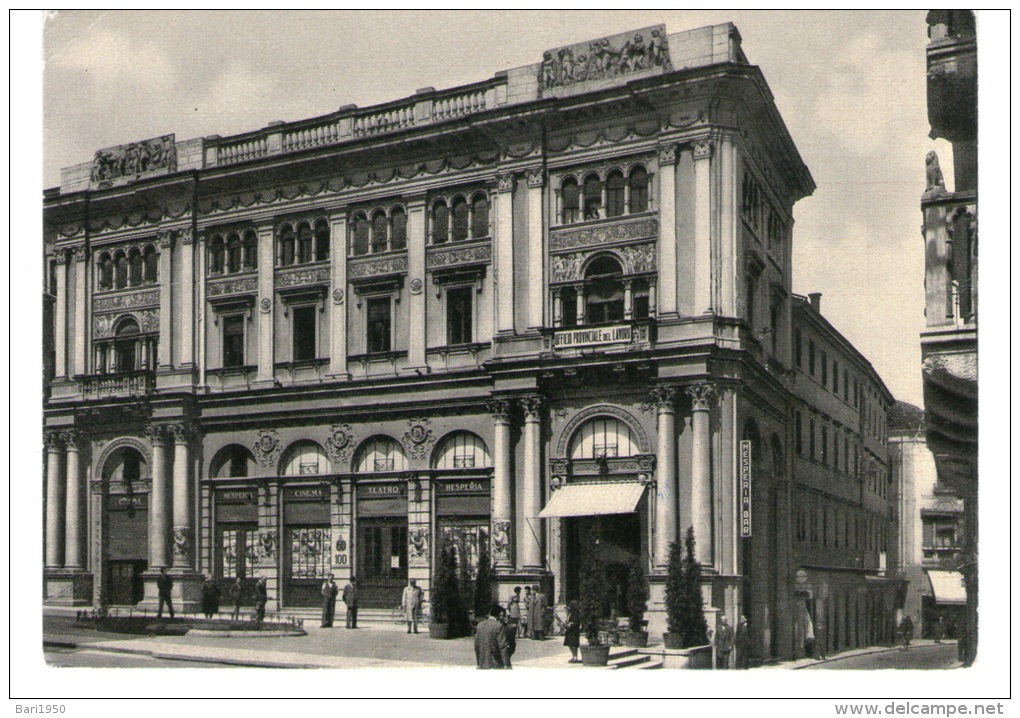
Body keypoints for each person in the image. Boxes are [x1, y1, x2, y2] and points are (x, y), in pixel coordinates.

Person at [475, 604, 509, 669]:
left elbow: (476, 646)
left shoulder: (480, 625)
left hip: (483, 662)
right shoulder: (498, 626)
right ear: (499, 615)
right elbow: (503, 646)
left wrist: (478, 663)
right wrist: (506, 664)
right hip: (495, 663)